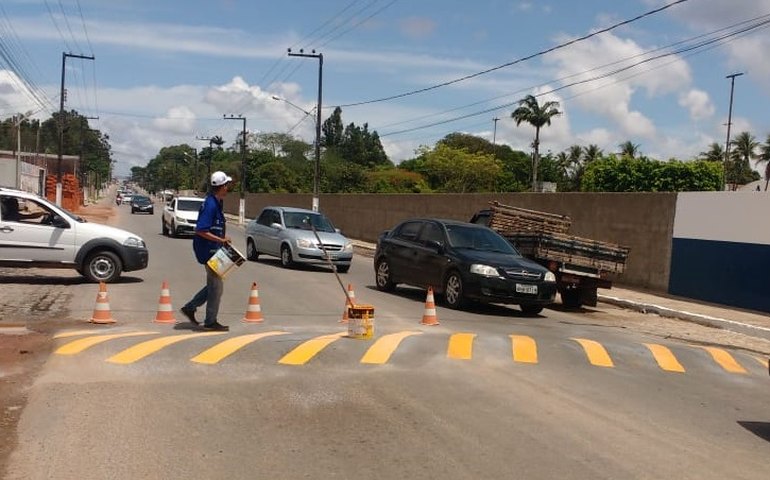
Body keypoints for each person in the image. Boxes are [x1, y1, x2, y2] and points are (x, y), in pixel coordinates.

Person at [179, 171, 232, 331]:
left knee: (214, 284)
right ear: (222, 187)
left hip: (214, 250)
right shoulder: (210, 204)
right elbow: (201, 230)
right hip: (209, 251)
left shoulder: (215, 202)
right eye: (227, 185)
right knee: (216, 287)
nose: (228, 188)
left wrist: (221, 241)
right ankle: (210, 321)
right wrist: (221, 240)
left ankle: (191, 307)